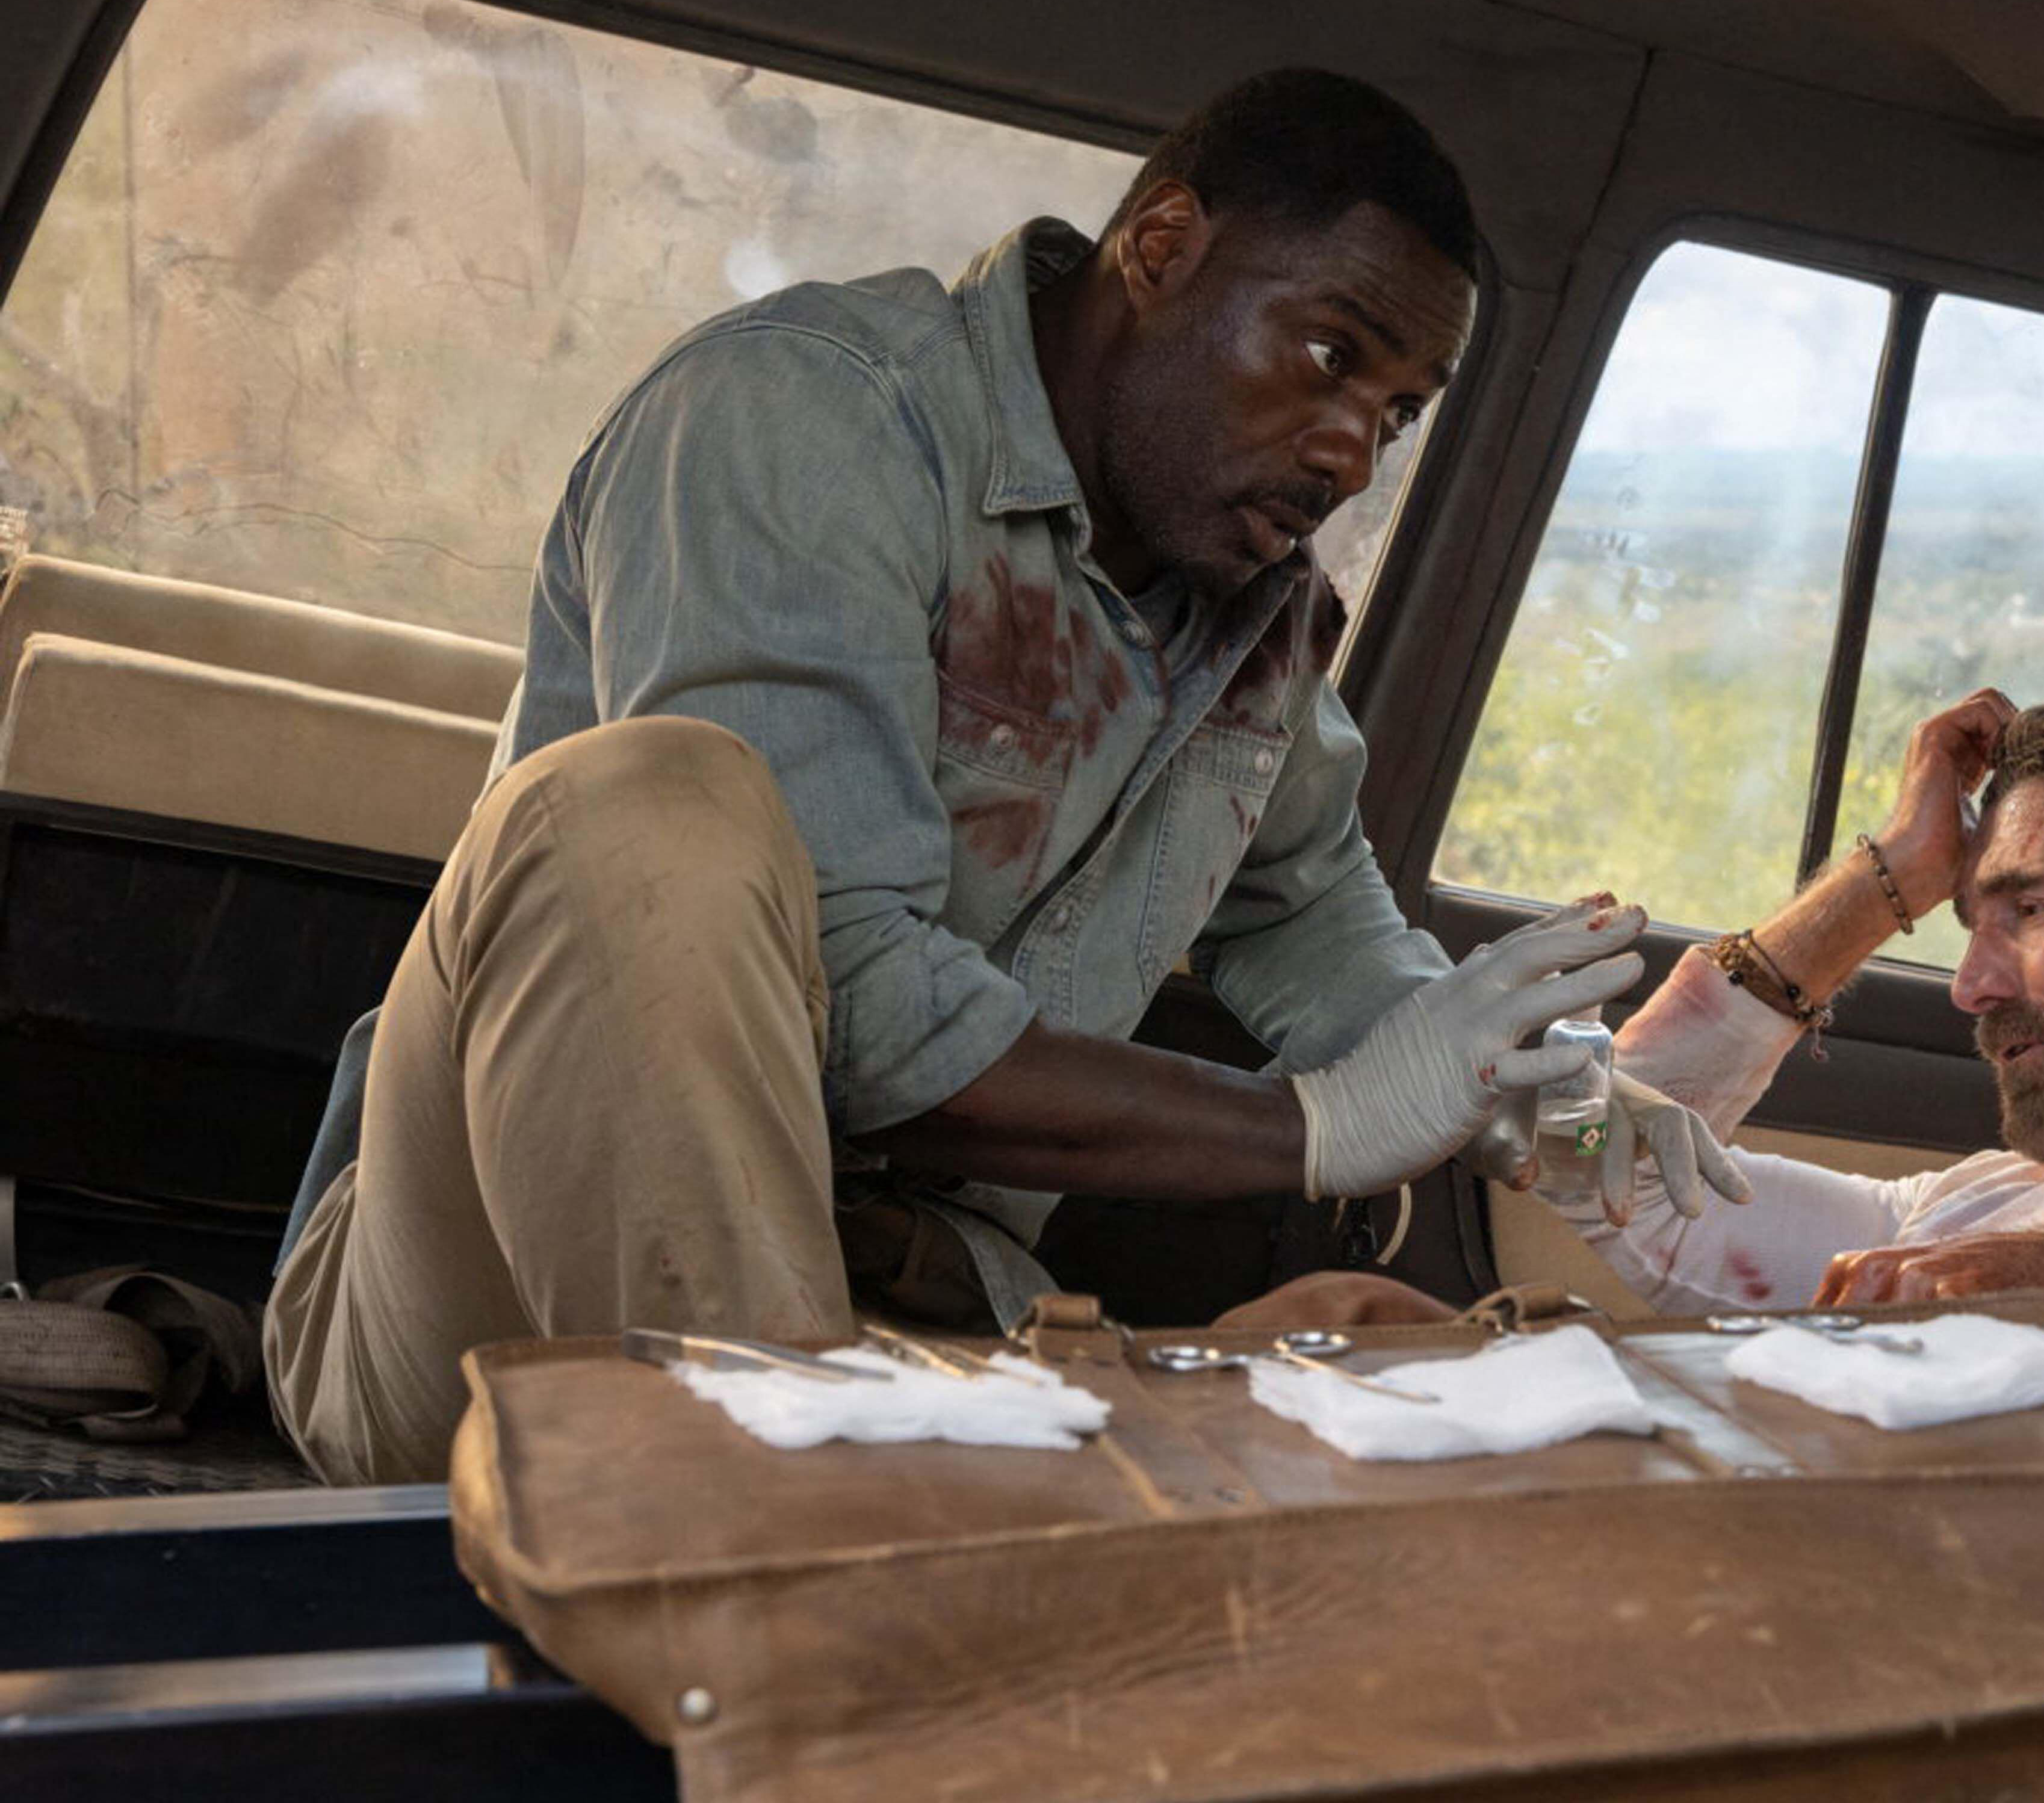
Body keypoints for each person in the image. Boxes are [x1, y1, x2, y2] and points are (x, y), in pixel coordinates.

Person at [262, 70, 1729, 1485]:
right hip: (488, 1316)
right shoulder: (808, 423)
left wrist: (1526, 1092)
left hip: (916, 1316)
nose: (1354, 451)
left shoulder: (1253, 614)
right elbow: (861, 1016)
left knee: (1405, 1382)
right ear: (1161, 248)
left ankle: (828, 1515)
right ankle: (791, 1533)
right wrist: (1316, 1131)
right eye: (1331, 357)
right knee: (640, 816)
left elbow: (1312, 913)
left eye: (1402, 412)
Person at [1538, 692, 2044, 1330]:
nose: (1969, 987)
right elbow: (1612, 1173)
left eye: (2029, 908)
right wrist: (1887, 873)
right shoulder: (1989, 1192)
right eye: (1968, 925)